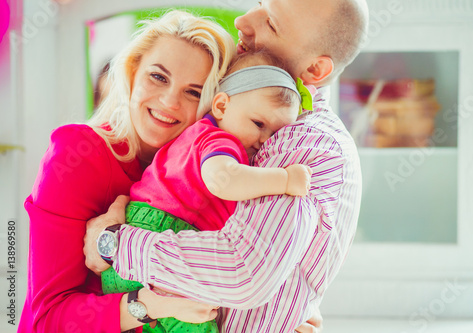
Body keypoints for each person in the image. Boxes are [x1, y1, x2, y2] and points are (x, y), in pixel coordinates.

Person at [85, 0, 369, 331]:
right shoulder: (241, 121)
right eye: (259, 4)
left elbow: (243, 271)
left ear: (316, 72)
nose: (243, 21)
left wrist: (115, 243)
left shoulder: (299, 140)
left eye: (271, 24)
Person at [18, 10, 236, 332]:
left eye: (194, 92)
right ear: (132, 72)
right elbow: (47, 320)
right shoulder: (76, 155)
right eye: (158, 77)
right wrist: (151, 304)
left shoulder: (216, 175)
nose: (169, 101)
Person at [101, 51, 312, 332]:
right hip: (161, 232)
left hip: (140, 239)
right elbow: (223, 180)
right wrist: (285, 179)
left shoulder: (199, 135)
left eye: (274, 134)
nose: (264, 140)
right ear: (222, 106)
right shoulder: (218, 141)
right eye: (259, 124)